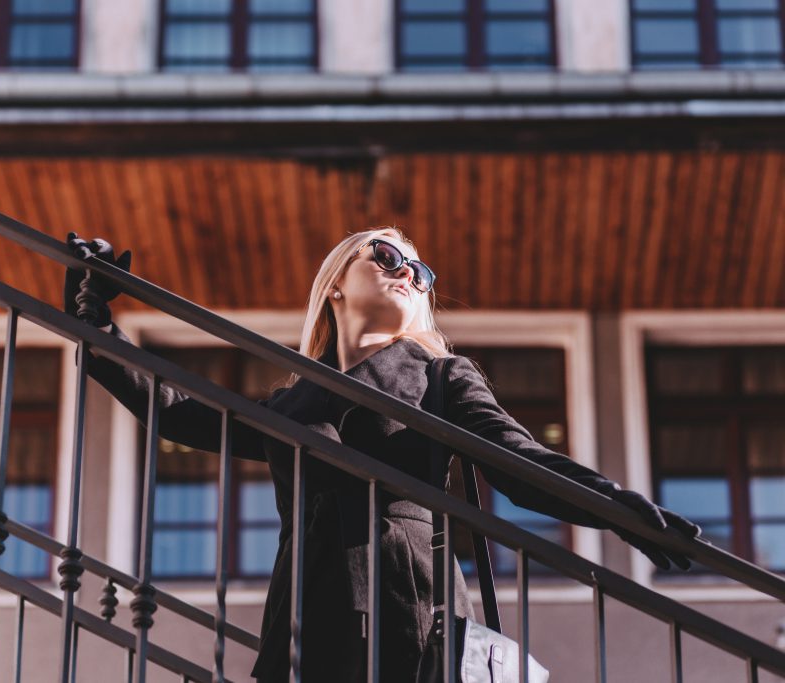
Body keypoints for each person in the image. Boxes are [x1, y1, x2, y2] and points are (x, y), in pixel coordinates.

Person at [63, 227, 701, 683]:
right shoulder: (292, 402)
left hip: (407, 606)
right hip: (304, 614)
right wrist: (95, 322)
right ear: (335, 285)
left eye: (421, 273)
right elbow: (176, 410)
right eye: (390, 255)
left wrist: (622, 510)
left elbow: (520, 462)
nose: (408, 272)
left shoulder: (441, 375)